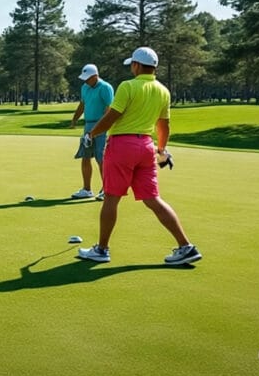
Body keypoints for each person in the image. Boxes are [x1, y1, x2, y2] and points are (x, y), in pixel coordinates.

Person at [76, 47, 201, 265]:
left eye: (132, 65)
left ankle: (101, 250)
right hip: (146, 146)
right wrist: (162, 150)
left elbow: (112, 116)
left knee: (111, 198)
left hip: (121, 146)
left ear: (136, 65)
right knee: (153, 199)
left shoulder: (128, 86)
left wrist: (91, 134)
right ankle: (186, 246)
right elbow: (164, 125)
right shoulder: (163, 90)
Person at [69, 63, 114, 201]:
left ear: (95, 76)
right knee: (85, 156)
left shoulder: (105, 87)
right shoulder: (85, 87)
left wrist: (103, 127)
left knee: (101, 158)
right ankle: (87, 189)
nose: (86, 81)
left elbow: (109, 109)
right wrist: (75, 119)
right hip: (88, 126)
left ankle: (106, 189)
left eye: (88, 78)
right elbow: (82, 104)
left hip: (101, 126)